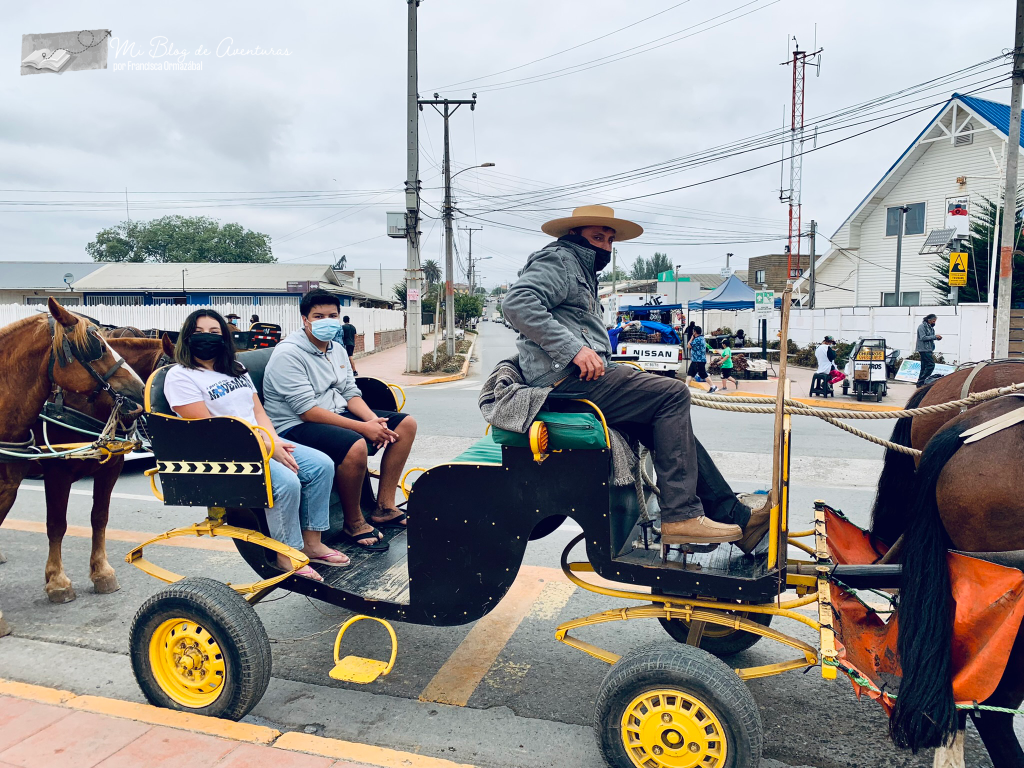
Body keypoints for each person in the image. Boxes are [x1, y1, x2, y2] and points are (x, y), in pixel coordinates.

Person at [501, 204, 770, 549]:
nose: (606, 247)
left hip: (573, 376)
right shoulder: (561, 261)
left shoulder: (580, 269)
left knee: (665, 422)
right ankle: (681, 517)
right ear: (574, 235)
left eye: (610, 240)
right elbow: (518, 303)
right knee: (673, 394)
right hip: (563, 380)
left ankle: (735, 519)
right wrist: (574, 350)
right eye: (597, 237)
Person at [163, 309, 347, 581]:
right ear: (186, 338)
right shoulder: (181, 376)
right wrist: (266, 448)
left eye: (214, 332)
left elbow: (258, 411)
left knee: (321, 465)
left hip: (260, 438)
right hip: (226, 450)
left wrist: (272, 440)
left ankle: (313, 543)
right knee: (286, 482)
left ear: (225, 338)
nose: (207, 338)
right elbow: (210, 429)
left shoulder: (236, 369)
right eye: (198, 332)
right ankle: (286, 554)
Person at [262, 290, 417, 552]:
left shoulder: (336, 348)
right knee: (355, 444)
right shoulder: (288, 354)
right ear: (305, 319)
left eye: (332, 315)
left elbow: (349, 392)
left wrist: (374, 422)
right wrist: (363, 428)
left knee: (405, 425)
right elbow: (307, 410)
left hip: (333, 414)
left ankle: (384, 507)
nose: (327, 320)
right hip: (294, 425)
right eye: (318, 316)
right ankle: (353, 521)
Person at [916, 314, 941, 386]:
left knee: (924, 366)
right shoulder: (922, 326)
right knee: (931, 365)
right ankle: (923, 380)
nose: (934, 323)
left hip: (929, 349)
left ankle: (920, 383)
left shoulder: (931, 328)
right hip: (923, 349)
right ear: (929, 320)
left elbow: (930, 337)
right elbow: (923, 338)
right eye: (933, 321)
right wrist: (935, 337)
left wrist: (936, 338)